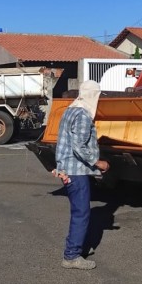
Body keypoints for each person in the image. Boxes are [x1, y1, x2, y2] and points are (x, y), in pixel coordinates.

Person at [53, 80, 110, 270]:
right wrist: (97, 162)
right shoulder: (84, 115)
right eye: (98, 96)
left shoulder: (70, 110)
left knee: (78, 211)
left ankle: (73, 249)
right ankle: (72, 256)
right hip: (75, 171)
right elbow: (79, 146)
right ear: (93, 96)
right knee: (81, 213)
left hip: (66, 168)